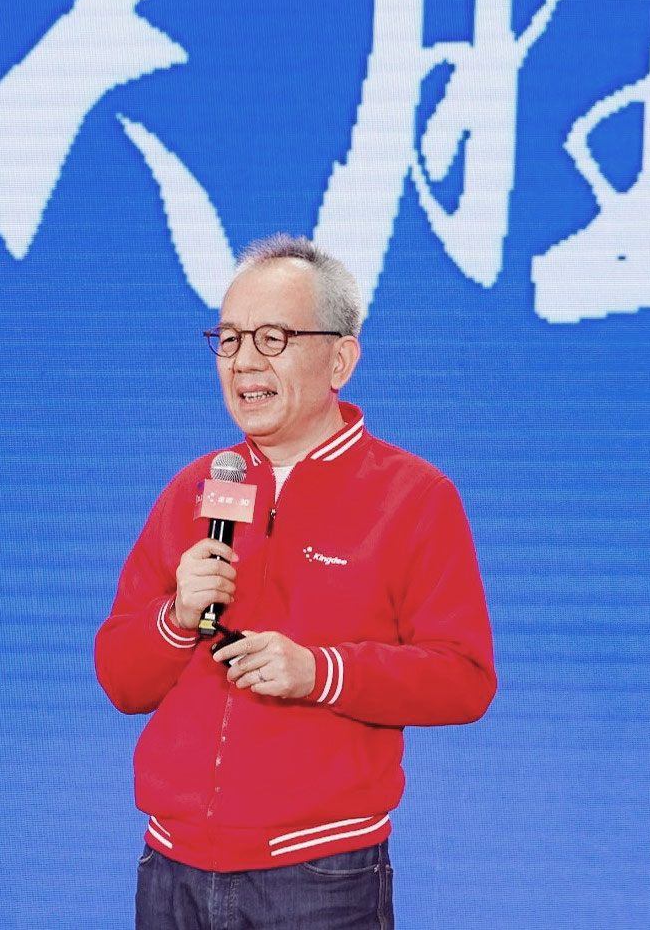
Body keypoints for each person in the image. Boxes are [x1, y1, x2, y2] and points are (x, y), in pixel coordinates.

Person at [95, 234, 496, 929]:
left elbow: (464, 679)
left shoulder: (413, 497)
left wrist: (319, 672)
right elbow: (121, 680)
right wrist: (176, 617)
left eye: (272, 338)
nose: (244, 361)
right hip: (171, 868)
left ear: (340, 359)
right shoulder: (194, 488)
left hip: (318, 874)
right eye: (228, 339)